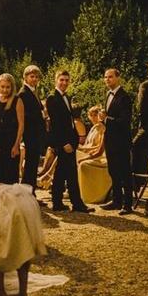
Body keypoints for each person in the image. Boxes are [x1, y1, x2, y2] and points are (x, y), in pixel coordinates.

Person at [0, 183, 47, 296]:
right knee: (24, 247)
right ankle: (23, 294)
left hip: (12, 210)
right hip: (28, 208)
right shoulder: (15, 188)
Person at [45, 70, 89, 212]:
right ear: (56, 80)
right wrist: (64, 143)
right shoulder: (52, 98)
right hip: (64, 143)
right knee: (67, 172)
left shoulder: (66, 97)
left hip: (70, 140)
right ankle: (74, 203)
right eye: (61, 80)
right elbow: (56, 124)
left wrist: (74, 138)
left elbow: (68, 121)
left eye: (66, 80)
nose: (64, 83)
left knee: (64, 172)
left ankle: (59, 203)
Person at [101, 68, 134, 215]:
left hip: (121, 141)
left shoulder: (124, 97)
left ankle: (127, 204)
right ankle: (116, 200)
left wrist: (106, 119)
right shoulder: (107, 94)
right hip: (110, 139)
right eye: (106, 77)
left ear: (118, 78)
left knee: (125, 172)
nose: (108, 80)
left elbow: (124, 121)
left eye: (110, 77)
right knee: (113, 171)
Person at [16, 66, 47, 190]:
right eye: (32, 76)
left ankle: (30, 191)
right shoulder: (23, 93)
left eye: (36, 77)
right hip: (30, 134)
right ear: (25, 77)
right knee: (30, 165)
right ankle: (28, 191)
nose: (34, 79)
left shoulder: (34, 91)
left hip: (36, 134)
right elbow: (24, 115)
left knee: (33, 164)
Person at [78, 106, 112, 206]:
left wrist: (85, 152)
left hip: (102, 158)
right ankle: (49, 177)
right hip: (93, 153)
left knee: (75, 158)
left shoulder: (103, 129)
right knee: (66, 154)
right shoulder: (94, 127)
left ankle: (48, 177)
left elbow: (99, 150)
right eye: (91, 115)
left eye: (96, 115)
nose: (94, 117)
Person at [0, 73, 21, 184]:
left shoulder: (17, 101)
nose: (5, 90)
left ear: (12, 87)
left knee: (10, 175)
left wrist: (16, 145)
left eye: (7, 87)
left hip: (11, 142)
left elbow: (21, 124)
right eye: (2, 87)